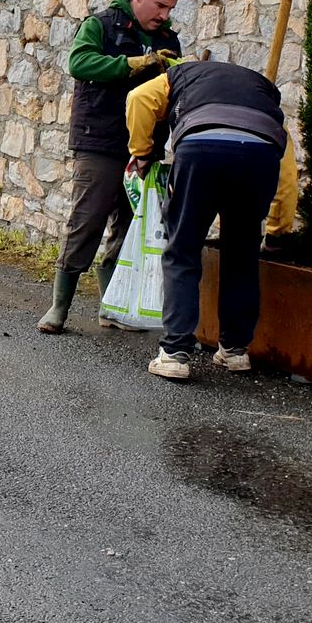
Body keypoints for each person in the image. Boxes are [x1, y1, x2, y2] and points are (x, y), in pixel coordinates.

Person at [123, 57, 299, 381]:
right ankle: (234, 351)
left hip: (200, 149)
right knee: (242, 254)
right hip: (259, 156)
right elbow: (287, 174)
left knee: (182, 250)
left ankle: (175, 354)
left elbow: (138, 100)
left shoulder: (177, 75)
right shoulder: (263, 96)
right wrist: (278, 230)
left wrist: (143, 151)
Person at [37, 0, 185, 333]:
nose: (164, 14)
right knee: (87, 221)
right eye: (160, 5)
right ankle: (59, 307)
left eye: (170, 8)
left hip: (144, 146)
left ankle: (112, 306)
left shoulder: (168, 40)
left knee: (130, 225)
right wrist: (132, 64)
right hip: (99, 142)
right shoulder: (100, 25)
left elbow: (172, 91)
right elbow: (79, 62)